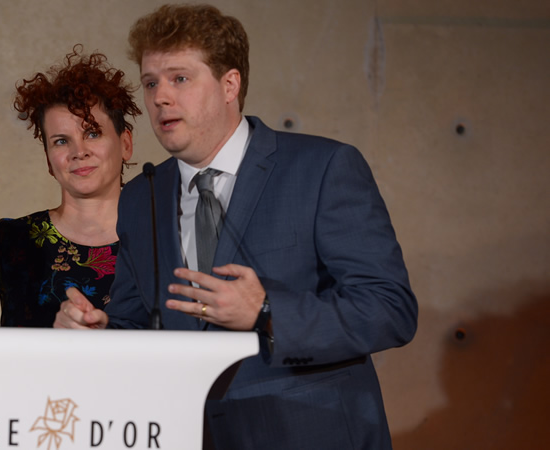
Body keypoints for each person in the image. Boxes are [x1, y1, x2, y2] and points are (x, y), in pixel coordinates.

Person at [55, 4, 418, 449]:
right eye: (151, 83)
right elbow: (140, 321)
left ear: (230, 84)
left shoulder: (323, 168)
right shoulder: (141, 195)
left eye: (179, 78)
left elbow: (390, 310)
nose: (160, 97)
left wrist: (267, 313)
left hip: (308, 432)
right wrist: (100, 333)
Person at [0, 47, 140, 327]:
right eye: (61, 141)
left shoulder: (160, 242)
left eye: (93, 133)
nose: (78, 151)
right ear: (48, 159)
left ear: (126, 144)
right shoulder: (9, 240)